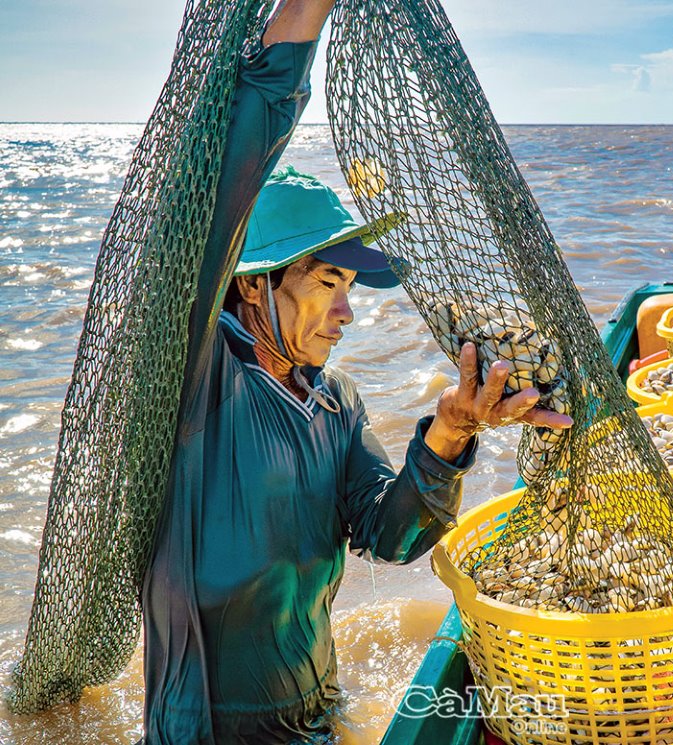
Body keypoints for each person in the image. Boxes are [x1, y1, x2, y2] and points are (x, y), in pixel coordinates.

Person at [139, 1, 571, 743]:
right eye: (325, 282)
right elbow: (217, 198)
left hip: (317, 714)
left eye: (348, 289)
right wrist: (304, 18)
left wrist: (450, 431)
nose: (345, 313)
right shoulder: (196, 384)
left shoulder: (335, 404)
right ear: (252, 283)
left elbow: (391, 534)